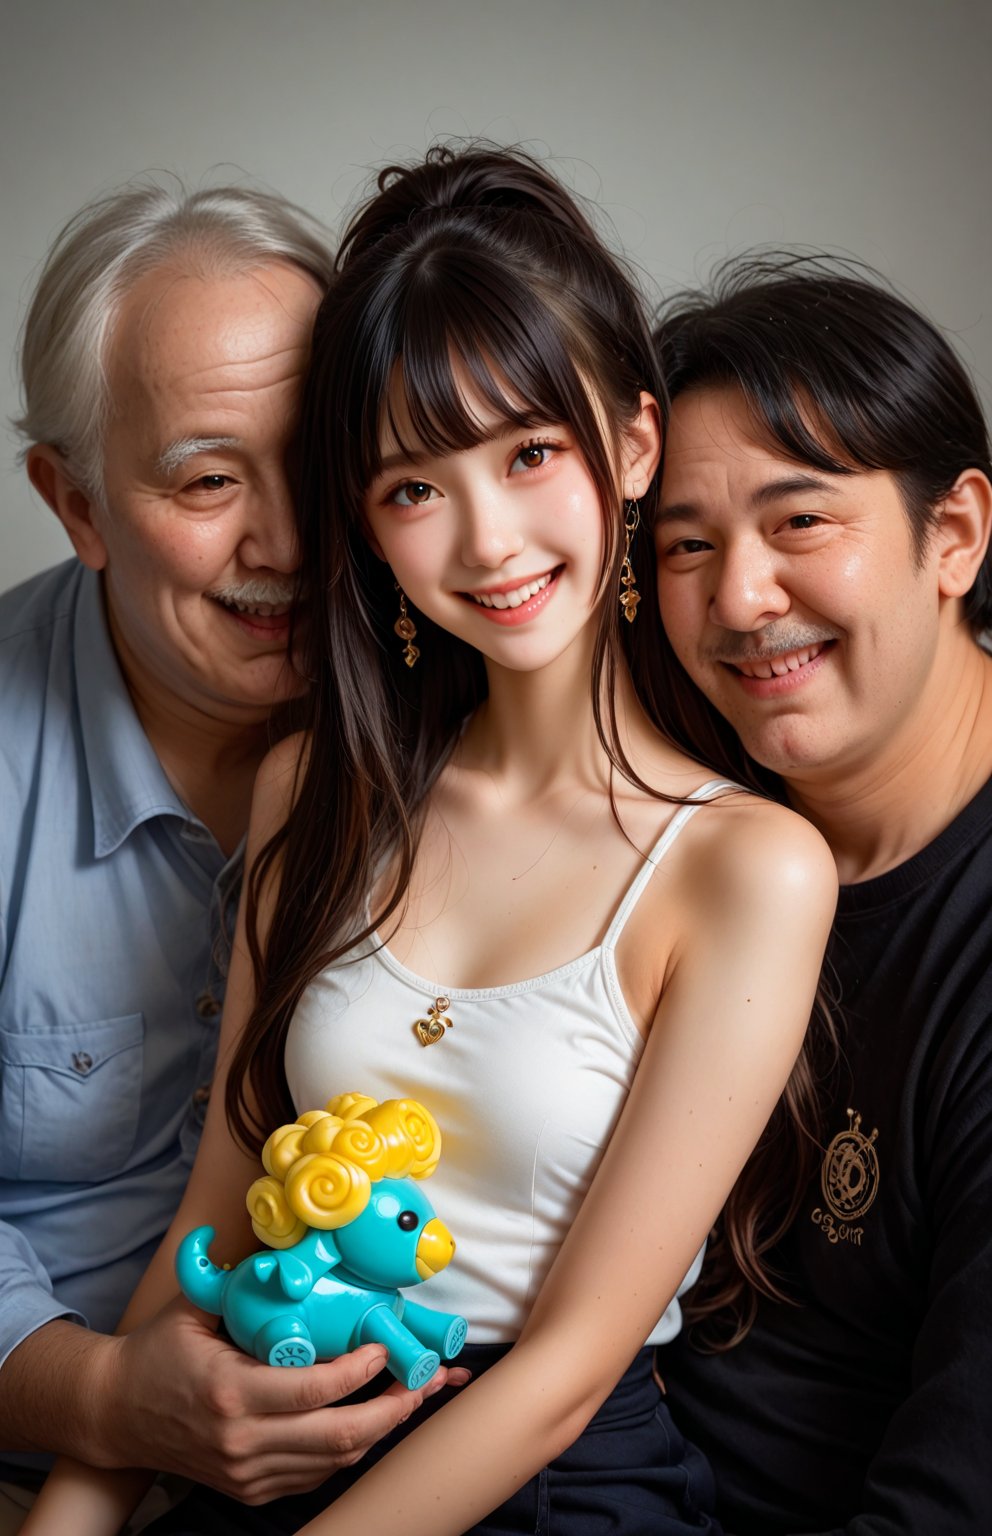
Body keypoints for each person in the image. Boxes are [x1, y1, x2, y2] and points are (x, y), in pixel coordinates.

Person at [24, 147, 837, 1536]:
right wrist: (73, 1518)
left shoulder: (745, 870)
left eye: (530, 454)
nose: (487, 539)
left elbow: (571, 1373)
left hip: (548, 1484)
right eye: (413, 487)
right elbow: (212, 1214)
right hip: (273, 1430)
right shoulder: (317, 793)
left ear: (630, 447)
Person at [0, 180, 463, 1533]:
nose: (293, 541)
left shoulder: (471, 700)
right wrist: (101, 1404)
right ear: (77, 506)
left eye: (315, 460)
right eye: (207, 480)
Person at [649, 255, 992, 1534]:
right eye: (687, 546)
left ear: (949, 535)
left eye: (800, 522)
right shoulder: (683, 826)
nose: (740, 599)